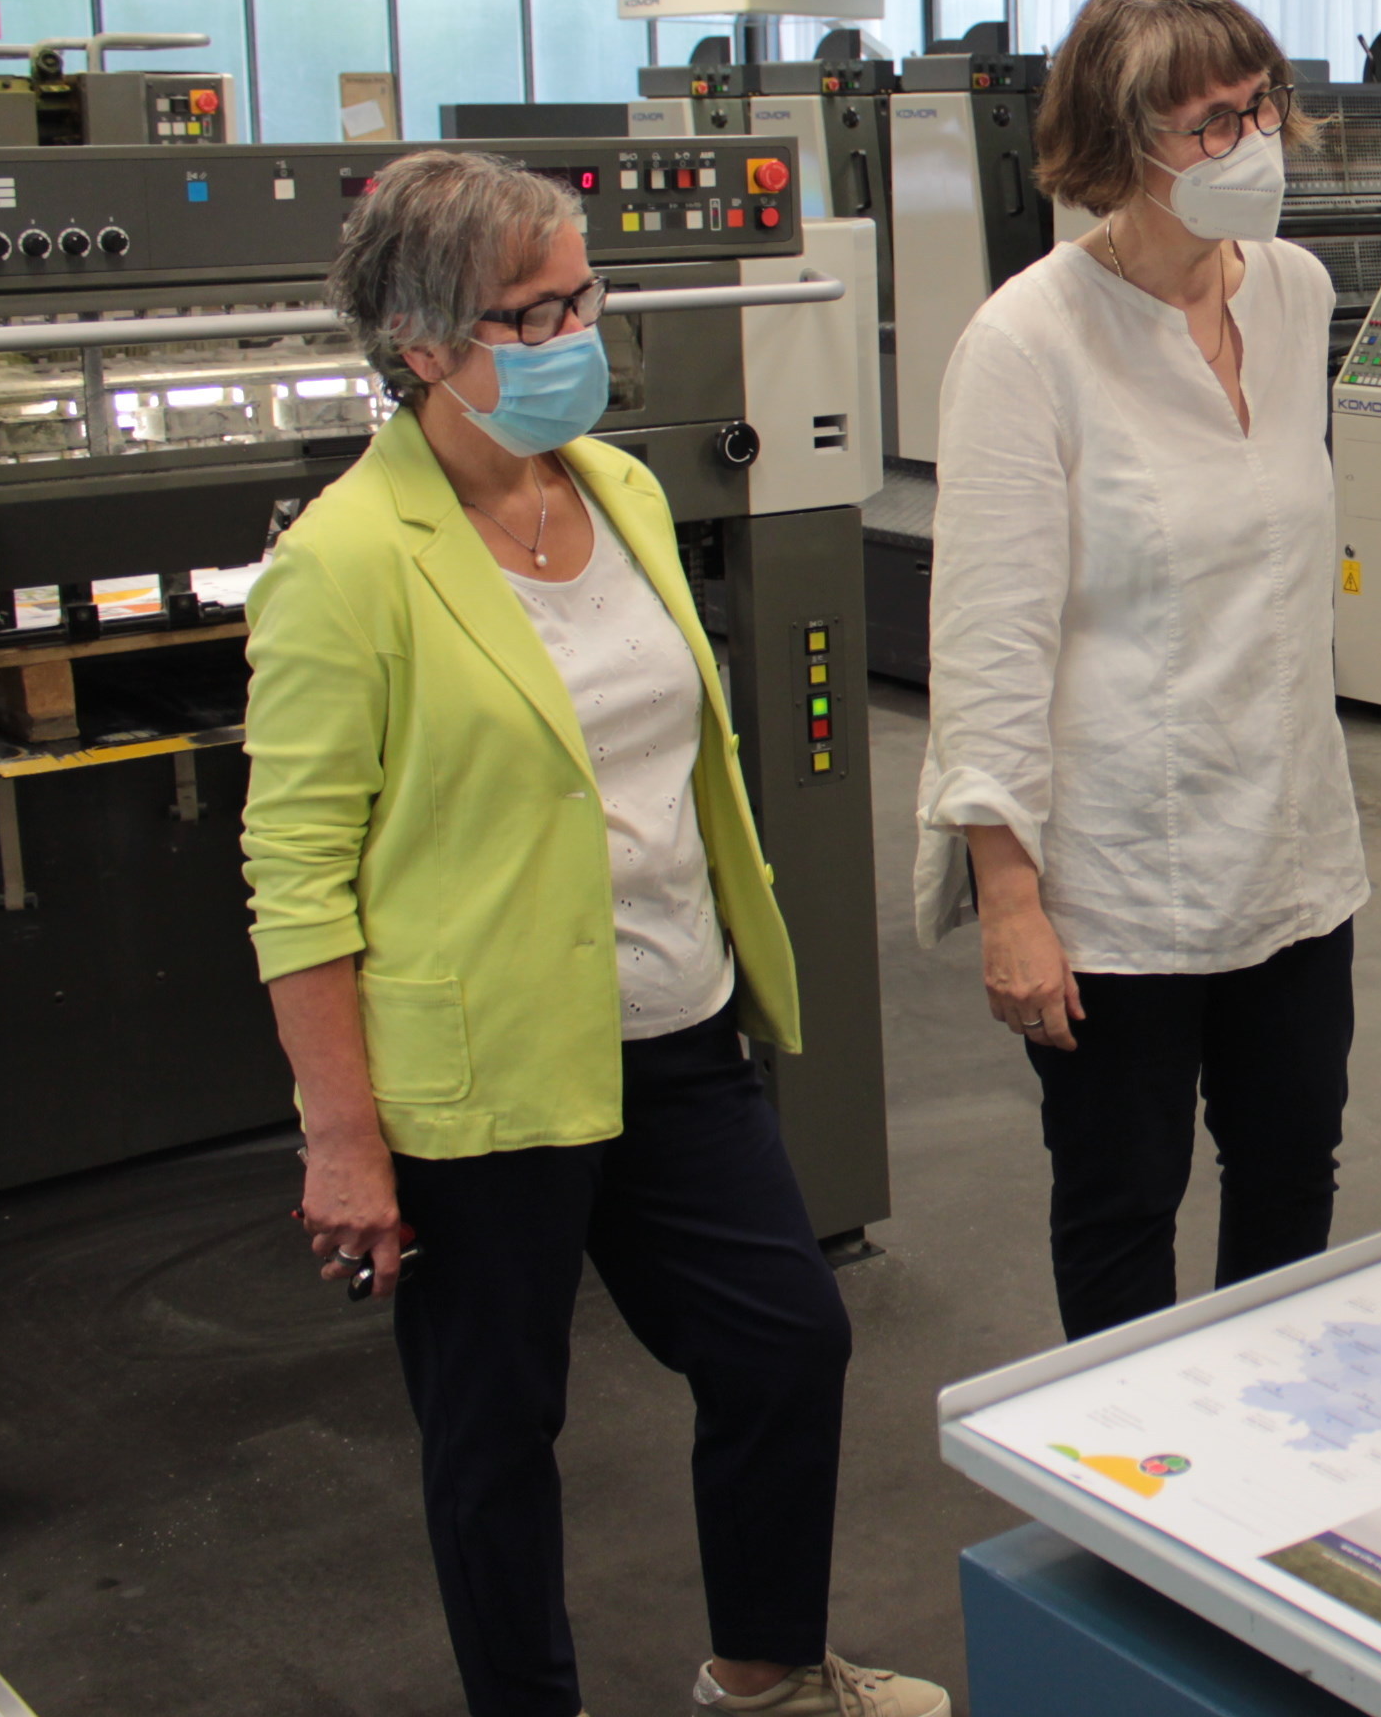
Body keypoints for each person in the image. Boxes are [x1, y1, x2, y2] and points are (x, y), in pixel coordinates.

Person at [246, 150, 944, 1717]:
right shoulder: (347, 564)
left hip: (678, 1030)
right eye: (530, 311)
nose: (577, 333)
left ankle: (766, 1673)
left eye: (582, 294)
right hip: (485, 1076)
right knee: (497, 1436)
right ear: (422, 343)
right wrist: (343, 1140)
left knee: (786, 1348)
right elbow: (297, 878)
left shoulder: (618, 489)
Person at [913, 0, 1368, 1340]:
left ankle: (1258, 1470)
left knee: (1292, 1175)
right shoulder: (1026, 344)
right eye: (1206, 127)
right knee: (1122, 1204)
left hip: (1290, 849)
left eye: (1258, 107)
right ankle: (1126, 1501)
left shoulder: (1294, 292)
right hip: (1116, 875)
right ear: (1120, 155)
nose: (1251, 146)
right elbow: (988, 642)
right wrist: (1010, 900)